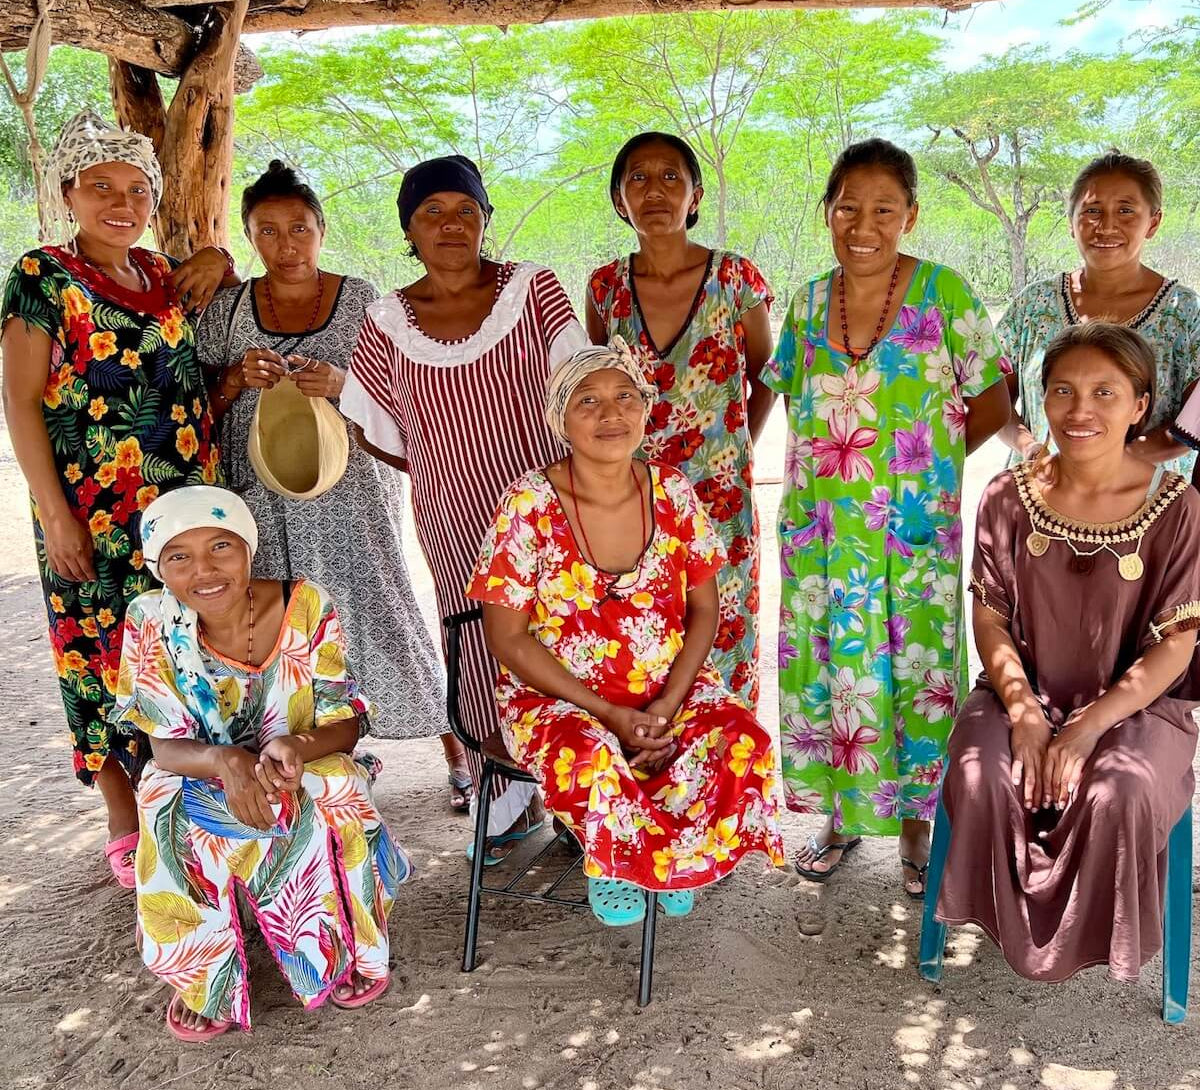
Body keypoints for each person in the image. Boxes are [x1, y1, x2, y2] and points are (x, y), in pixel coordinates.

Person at [762, 138, 1011, 898]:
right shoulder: (807, 302)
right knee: (835, 673)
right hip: (822, 535)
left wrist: (923, 474)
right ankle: (840, 817)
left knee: (915, 674)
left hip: (914, 536)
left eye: (882, 208)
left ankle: (916, 826)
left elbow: (994, 402)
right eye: (847, 207)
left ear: (910, 215)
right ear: (827, 212)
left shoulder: (945, 294)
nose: (862, 224)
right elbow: (781, 394)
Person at [465, 343, 784, 923]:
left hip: (668, 690)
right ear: (559, 418)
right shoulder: (529, 504)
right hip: (558, 699)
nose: (610, 414)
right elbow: (507, 639)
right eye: (587, 401)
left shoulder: (672, 493)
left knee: (741, 739)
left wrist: (665, 704)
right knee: (589, 758)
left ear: (645, 410)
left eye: (624, 398)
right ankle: (617, 860)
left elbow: (704, 613)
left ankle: (674, 854)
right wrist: (609, 714)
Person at [0, 110, 233, 888]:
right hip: (93, 515)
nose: (121, 202)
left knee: (186, 648)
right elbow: (21, 402)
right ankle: (124, 818)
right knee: (98, 655)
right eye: (100, 186)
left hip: (188, 510)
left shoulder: (163, 276)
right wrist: (55, 513)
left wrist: (219, 253)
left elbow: (217, 286)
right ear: (69, 191)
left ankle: (195, 798)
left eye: (137, 188)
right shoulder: (42, 277)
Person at [195, 161, 465, 809]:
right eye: (268, 231)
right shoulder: (228, 309)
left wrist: (341, 385)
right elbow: (192, 400)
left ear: (321, 231)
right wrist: (236, 377)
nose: (287, 245)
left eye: (299, 229)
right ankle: (317, 757)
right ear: (249, 237)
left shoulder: (362, 300)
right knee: (286, 620)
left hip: (350, 497)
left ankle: (453, 748)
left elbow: (404, 393)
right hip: (260, 495)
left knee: (377, 605)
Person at [341, 155, 587, 861]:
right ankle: (505, 786)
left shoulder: (533, 289)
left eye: (464, 210)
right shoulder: (388, 320)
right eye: (431, 213)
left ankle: (579, 791)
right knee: (477, 636)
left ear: (485, 218)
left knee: (566, 631)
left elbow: (577, 389)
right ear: (408, 230)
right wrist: (444, 469)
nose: (450, 224)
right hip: (453, 518)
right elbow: (376, 427)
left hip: (550, 507)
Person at [936, 323, 1200, 982]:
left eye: (1105, 392)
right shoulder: (1007, 495)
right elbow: (990, 618)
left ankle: (1094, 942)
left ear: (1141, 405)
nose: (1080, 411)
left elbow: (1176, 646)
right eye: (1062, 391)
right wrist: (1025, 713)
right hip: (1018, 691)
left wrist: (1087, 728)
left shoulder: (1178, 506)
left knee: (1121, 793)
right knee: (980, 774)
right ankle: (1003, 923)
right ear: (1042, 400)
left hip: (1138, 709)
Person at [113, 485, 409, 1040]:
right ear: (159, 568)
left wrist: (296, 748)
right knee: (159, 797)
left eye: (221, 546)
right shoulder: (151, 620)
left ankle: (345, 949)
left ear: (248, 548)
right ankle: (205, 976)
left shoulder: (306, 605)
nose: (205, 571)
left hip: (298, 761)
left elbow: (344, 721)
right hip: (202, 766)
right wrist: (224, 761)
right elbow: (162, 745)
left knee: (336, 785)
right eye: (179, 556)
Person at [587, 132, 774, 708]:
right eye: (637, 179)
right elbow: (599, 387)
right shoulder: (606, 289)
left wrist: (737, 448)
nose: (655, 192)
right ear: (620, 201)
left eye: (672, 177)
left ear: (694, 196)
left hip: (721, 500)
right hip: (634, 500)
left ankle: (729, 778)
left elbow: (767, 374)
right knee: (641, 636)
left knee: (725, 635)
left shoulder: (735, 279)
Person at [998, 151, 1199, 479]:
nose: (1106, 226)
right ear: (1071, 223)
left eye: (1125, 210)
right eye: (1092, 211)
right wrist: (1030, 448)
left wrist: (1121, 459)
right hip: (1046, 490)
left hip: (1146, 500)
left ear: (1153, 222)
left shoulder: (1184, 313)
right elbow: (995, 402)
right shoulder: (1034, 306)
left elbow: (1194, 421)